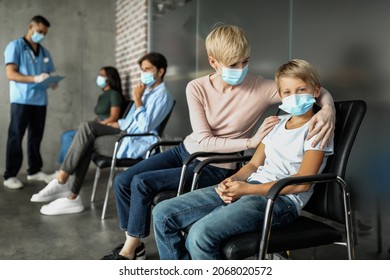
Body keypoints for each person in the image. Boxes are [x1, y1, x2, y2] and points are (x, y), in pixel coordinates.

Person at [101, 25, 336, 260]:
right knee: (157, 209)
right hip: (198, 153)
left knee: (197, 233)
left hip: (257, 186)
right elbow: (248, 162)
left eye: (245, 61)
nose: (241, 69)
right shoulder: (204, 90)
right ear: (214, 62)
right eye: (233, 64)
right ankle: (138, 247)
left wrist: (328, 110)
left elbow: (311, 88)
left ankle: (136, 251)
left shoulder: (312, 125)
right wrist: (233, 180)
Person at [152, 58, 334, 259]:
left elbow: (303, 183)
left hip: (280, 201)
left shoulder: (318, 128)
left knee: (200, 235)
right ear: (280, 96)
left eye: (301, 90)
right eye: (287, 92)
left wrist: (248, 189)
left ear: (316, 91)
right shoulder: (275, 123)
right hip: (251, 187)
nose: (294, 97)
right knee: (163, 213)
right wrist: (233, 181)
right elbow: (254, 164)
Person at [30, 52, 174, 216]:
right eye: (142, 69)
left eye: (148, 69)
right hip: (124, 131)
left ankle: (69, 191)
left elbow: (144, 127)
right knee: (87, 128)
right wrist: (117, 123)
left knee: (87, 141)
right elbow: (130, 122)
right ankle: (66, 187)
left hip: (135, 142)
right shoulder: (147, 92)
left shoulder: (163, 96)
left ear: (160, 71)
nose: (143, 73)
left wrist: (137, 100)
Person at [3, 15, 58, 190]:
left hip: (40, 101)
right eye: (39, 31)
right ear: (30, 27)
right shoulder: (15, 46)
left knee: (36, 137)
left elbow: (49, 74)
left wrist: (51, 81)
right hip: (21, 100)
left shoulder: (44, 52)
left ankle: (34, 171)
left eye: (44, 33)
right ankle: (10, 175)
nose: (41, 34)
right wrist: (34, 78)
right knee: (16, 136)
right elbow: (11, 74)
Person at [56, 66, 125, 166]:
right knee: (65, 135)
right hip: (98, 125)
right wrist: (91, 124)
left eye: (102, 75)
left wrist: (99, 125)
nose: (99, 77)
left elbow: (114, 117)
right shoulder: (102, 96)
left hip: (107, 127)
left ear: (109, 77)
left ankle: (64, 169)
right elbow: (98, 115)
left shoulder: (114, 94)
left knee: (69, 136)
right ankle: (62, 167)